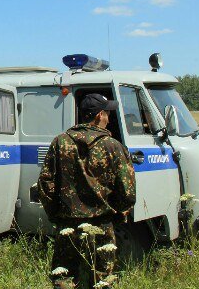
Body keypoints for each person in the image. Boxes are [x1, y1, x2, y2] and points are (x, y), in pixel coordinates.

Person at [37, 93, 136, 289]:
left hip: (68, 223)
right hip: (102, 224)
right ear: (99, 115)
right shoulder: (113, 146)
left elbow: (45, 184)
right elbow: (127, 191)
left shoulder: (60, 142)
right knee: (101, 279)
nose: (109, 118)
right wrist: (117, 213)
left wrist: (56, 214)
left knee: (64, 277)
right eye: (107, 113)